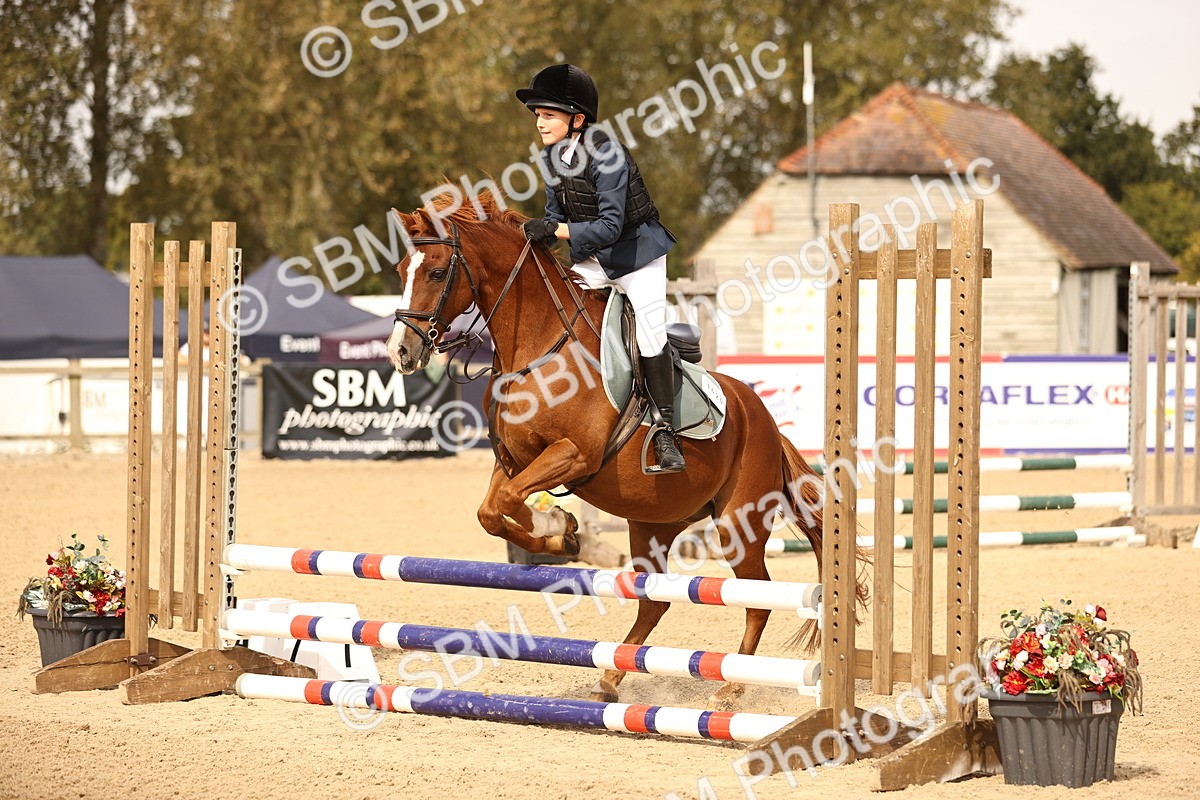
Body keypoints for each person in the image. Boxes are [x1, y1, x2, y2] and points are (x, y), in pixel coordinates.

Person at [516, 64, 685, 473]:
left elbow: (610, 225)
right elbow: (555, 214)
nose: (540, 123)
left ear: (577, 118)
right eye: (537, 114)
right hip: (593, 260)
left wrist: (554, 229)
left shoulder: (606, 153)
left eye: (548, 115)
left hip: (635, 255)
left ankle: (665, 430)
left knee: (649, 333)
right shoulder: (550, 157)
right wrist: (536, 232)